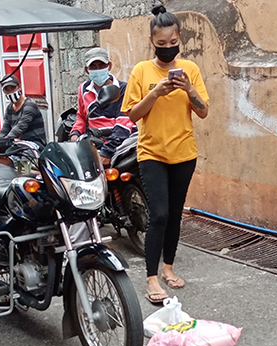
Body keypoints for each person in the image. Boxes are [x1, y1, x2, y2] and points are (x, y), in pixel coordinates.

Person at [122, 4, 209, 304]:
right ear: (152, 42)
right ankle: (151, 278)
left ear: (179, 39)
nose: (168, 49)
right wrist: (155, 92)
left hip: (184, 153)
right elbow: (133, 115)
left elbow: (203, 111)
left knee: (174, 214)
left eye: (173, 44)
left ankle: (169, 267)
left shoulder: (191, 70)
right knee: (158, 214)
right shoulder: (142, 71)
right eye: (162, 45)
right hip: (152, 153)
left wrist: (188, 89)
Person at [69, 47, 135, 167]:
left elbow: (124, 123)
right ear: (87, 70)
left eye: (101, 65)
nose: (97, 69)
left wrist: (107, 151)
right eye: (93, 67)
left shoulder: (124, 89)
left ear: (109, 66)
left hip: (120, 142)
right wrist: (75, 133)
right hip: (95, 141)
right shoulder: (83, 89)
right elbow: (82, 116)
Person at [0, 75, 47, 156]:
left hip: (34, 145)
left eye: (13, 88)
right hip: (18, 144)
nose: (11, 92)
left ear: (19, 87)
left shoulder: (29, 105)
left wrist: (0, 147)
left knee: (2, 158)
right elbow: (4, 130)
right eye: (7, 90)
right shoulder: (9, 109)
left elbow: (19, 128)